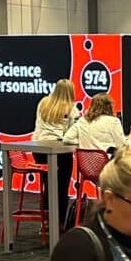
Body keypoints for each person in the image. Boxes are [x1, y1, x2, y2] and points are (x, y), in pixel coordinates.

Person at [32, 79, 79, 228]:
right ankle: (59, 223)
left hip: (39, 149)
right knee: (62, 187)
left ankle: (45, 223)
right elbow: (72, 133)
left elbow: (37, 125)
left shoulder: (43, 103)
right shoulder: (72, 109)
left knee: (48, 185)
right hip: (60, 151)